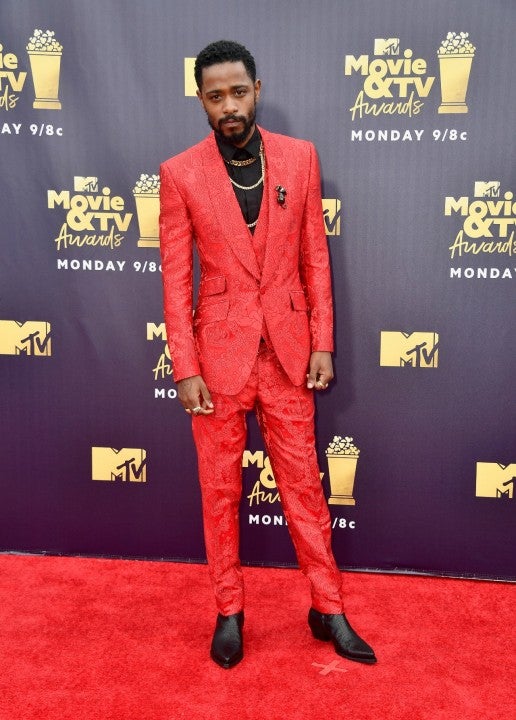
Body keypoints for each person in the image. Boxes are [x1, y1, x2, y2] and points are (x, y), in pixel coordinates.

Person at [159, 39, 376, 669]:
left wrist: (323, 342)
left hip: (288, 354)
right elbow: (175, 279)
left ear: (256, 89)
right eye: (215, 96)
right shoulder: (180, 173)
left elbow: (315, 257)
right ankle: (229, 610)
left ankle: (328, 607)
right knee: (219, 491)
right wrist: (185, 367)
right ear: (201, 100)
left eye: (237, 91)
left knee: (305, 485)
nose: (228, 105)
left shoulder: (300, 157)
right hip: (217, 358)